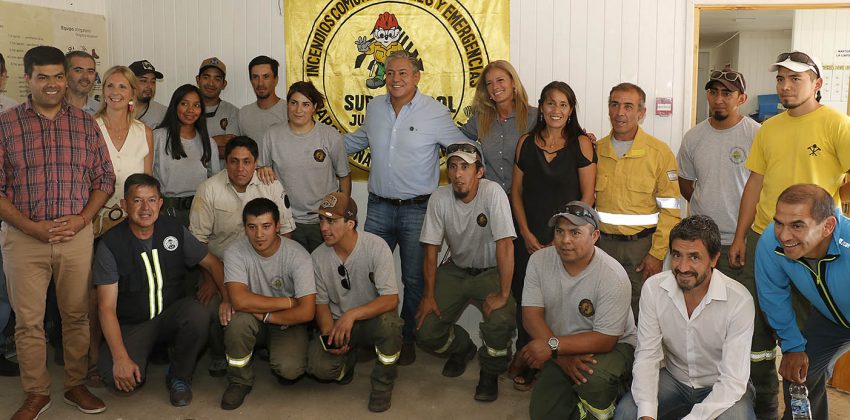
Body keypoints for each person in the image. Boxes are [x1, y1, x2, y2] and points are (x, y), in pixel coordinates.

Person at [728, 51, 850, 419]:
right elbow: (755, 183)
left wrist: (836, 201)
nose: (785, 86)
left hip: (818, 248)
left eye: (795, 78)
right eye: (781, 78)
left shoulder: (836, 124)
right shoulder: (770, 128)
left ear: (817, 84)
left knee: (810, 337)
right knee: (769, 332)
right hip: (769, 240)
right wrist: (740, 236)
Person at [0, 45, 114, 419]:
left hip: (74, 237)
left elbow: (105, 179)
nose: (52, 84)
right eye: (43, 77)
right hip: (23, 237)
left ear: (66, 79)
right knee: (28, 321)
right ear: (28, 78)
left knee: (77, 315)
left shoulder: (85, 125)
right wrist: (29, 226)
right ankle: (36, 392)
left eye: (58, 76)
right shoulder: (6, 125)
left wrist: (83, 219)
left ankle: (75, 384)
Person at [344, 50, 468, 364]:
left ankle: (406, 338)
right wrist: (312, 140)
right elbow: (355, 142)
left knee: (414, 279)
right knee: (368, 273)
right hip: (378, 207)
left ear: (416, 77)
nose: (396, 79)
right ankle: (369, 336)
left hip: (418, 210)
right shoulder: (374, 108)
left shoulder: (434, 112)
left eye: (402, 73)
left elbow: (461, 148)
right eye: (390, 73)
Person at [94, 174, 230, 407]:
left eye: (151, 200)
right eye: (137, 201)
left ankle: (179, 377)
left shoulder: (174, 230)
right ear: (124, 205)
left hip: (170, 315)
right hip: (133, 323)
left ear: (160, 203)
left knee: (198, 313)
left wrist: (226, 299)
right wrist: (121, 358)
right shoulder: (110, 244)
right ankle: (142, 354)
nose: (145, 208)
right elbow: (105, 308)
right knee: (118, 379)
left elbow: (213, 264)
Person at [615, 215, 756, 420]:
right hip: (673, 379)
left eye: (694, 257)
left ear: (714, 259)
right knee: (628, 413)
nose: (682, 267)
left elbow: (733, 382)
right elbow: (647, 356)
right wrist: (647, 414)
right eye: (677, 255)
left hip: (721, 386)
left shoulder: (739, 300)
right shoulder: (654, 289)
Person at [510, 81, 596, 389]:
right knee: (527, 301)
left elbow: (587, 196)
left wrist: (564, 237)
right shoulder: (525, 143)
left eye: (563, 104)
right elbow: (516, 192)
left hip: (567, 241)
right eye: (550, 103)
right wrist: (525, 232)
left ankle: (558, 360)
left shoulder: (582, 144)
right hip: (529, 239)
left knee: (562, 302)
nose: (556, 110)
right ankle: (527, 360)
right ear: (541, 107)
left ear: (571, 110)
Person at [416, 143, 516, 402]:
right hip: (456, 270)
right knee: (425, 329)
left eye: (465, 167)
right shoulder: (439, 198)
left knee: (501, 320)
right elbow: (430, 250)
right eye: (452, 166)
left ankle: (490, 372)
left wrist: (504, 293)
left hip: (490, 271)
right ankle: (462, 349)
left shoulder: (493, 193)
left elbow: (505, 245)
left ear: (479, 172)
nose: (458, 174)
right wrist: (428, 295)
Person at [520, 201, 636, 420]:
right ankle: (580, 404)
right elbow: (530, 316)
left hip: (613, 346)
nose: (565, 241)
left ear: (595, 236)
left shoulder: (613, 275)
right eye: (559, 231)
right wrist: (560, 356)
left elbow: (606, 339)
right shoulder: (538, 261)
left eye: (575, 232)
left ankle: (613, 397)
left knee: (592, 378)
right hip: (561, 345)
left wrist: (551, 346)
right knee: (542, 414)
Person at [189, 136, 295, 377]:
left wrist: (277, 269)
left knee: (266, 302)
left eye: (247, 162)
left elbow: (287, 231)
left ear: (256, 162)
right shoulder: (208, 189)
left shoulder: (271, 185)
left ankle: (264, 344)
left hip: (264, 266)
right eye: (234, 161)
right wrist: (209, 280)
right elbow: (199, 243)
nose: (240, 168)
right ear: (225, 162)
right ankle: (219, 353)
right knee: (213, 306)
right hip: (220, 267)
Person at [755, 184, 850, 419]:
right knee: (798, 376)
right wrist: (792, 346)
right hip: (831, 321)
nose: (784, 235)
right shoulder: (770, 242)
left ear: (828, 226)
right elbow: (773, 295)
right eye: (779, 222)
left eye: (797, 225)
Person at [306, 192, 403, 412]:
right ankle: (347, 361)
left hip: (370, 319)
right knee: (318, 368)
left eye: (331, 221)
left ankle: (382, 385)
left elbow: (390, 299)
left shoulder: (375, 246)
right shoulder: (318, 257)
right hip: (339, 322)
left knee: (391, 325)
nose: (323, 227)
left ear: (350, 223)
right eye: (321, 220)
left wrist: (352, 315)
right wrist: (329, 332)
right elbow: (320, 304)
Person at [220, 198, 316, 410]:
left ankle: (275, 349)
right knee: (237, 323)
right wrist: (289, 301)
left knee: (290, 370)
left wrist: (269, 315)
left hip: (285, 322)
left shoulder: (297, 254)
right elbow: (239, 300)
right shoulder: (235, 252)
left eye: (266, 226)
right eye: (252, 227)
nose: (259, 235)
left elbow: (307, 311)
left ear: (277, 226)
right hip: (252, 318)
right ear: (244, 228)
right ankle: (239, 380)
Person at [595, 82, 681, 318]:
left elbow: (672, 209)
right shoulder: (595, 150)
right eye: (615, 105)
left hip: (642, 249)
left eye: (628, 106)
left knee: (641, 312)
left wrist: (657, 254)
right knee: (603, 306)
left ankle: (639, 356)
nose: (620, 112)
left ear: (641, 113)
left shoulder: (659, 153)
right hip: (603, 246)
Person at [677, 67, 759, 277]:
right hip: (701, 240)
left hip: (741, 240)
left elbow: (764, 187)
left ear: (742, 98)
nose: (718, 99)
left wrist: (741, 235)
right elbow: (685, 183)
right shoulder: (693, 137)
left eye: (727, 93)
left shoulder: (757, 135)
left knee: (741, 303)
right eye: (713, 92)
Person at [258, 81, 351, 252]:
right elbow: (261, 173)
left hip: (323, 220)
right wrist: (261, 169)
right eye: (293, 103)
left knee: (325, 274)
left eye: (305, 104)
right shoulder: (272, 135)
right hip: (287, 222)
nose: (298, 110)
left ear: (314, 107)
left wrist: (340, 213)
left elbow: (344, 176)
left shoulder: (330, 136)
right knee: (290, 275)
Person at [94, 65, 154, 236]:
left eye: (122, 86)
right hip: (95, 221)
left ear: (132, 94)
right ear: (103, 91)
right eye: (110, 86)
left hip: (132, 221)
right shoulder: (89, 128)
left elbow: (147, 182)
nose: (115, 92)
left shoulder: (145, 132)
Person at [460, 60, 537, 193]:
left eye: (500, 80)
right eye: (489, 83)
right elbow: (454, 136)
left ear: (513, 82)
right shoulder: (480, 118)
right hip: (490, 199)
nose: (495, 87)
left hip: (526, 198)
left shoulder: (534, 117)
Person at [152, 84, 221, 227]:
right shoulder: (158, 137)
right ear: (175, 106)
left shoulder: (208, 143)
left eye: (196, 105)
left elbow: (215, 182)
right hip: (166, 212)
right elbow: (147, 177)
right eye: (184, 104)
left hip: (200, 213)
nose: (191, 110)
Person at [196, 57, 241, 158]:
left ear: (224, 84)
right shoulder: (187, 110)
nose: (211, 83)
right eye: (206, 77)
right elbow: (182, 146)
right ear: (198, 80)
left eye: (217, 79)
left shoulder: (232, 112)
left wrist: (196, 145)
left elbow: (230, 151)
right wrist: (214, 141)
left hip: (222, 173)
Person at [238, 55, 287, 143]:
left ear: (276, 79)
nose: (260, 83)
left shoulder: (289, 111)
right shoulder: (244, 113)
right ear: (251, 81)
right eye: (255, 77)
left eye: (266, 77)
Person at [129, 60, 167, 129]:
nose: (149, 86)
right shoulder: (118, 109)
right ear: (129, 82)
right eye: (143, 81)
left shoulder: (163, 113)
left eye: (153, 81)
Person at [64, 51, 100, 115]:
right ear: (65, 74)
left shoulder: (101, 111)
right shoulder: (51, 108)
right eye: (78, 70)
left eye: (90, 71)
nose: (85, 76)